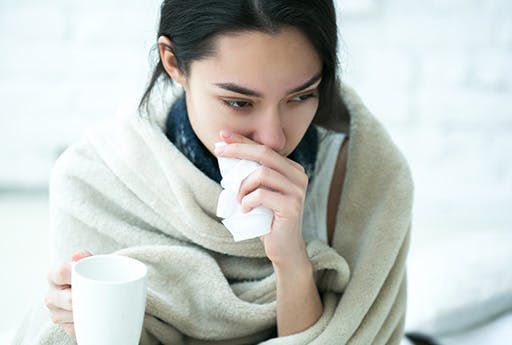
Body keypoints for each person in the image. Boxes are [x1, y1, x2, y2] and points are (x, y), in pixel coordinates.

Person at [19, 1, 413, 344]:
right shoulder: (95, 181)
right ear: (173, 63)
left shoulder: (365, 178)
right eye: (239, 103)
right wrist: (78, 319)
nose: (273, 137)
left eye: (301, 96)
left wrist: (291, 261)